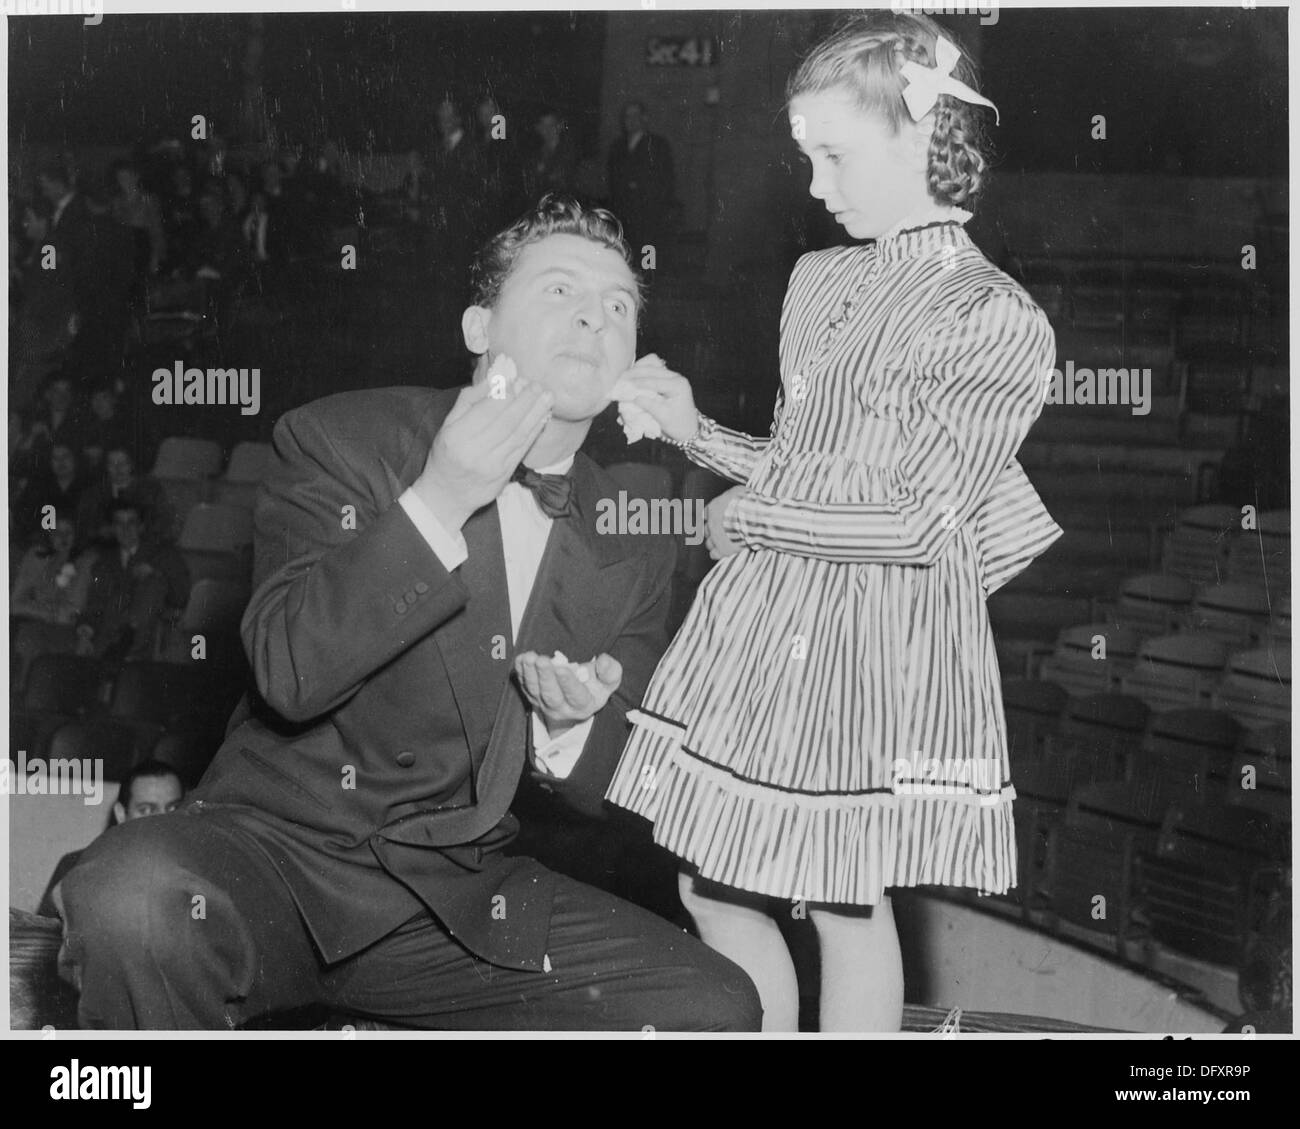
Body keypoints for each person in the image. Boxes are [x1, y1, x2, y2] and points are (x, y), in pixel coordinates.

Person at [59, 194, 761, 1032]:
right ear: (479, 328)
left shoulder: (631, 538)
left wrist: (570, 729)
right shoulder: (341, 438)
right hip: (277, 858)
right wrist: (438, 500)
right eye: (561, 290)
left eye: (618, 305)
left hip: (459, 899)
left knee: (713, 1006)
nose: (594, 317)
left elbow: (627, 776)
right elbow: (290, 669)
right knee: (130, 898)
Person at [604, 12, 1063, 1032]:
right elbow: (810, 466)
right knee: (708, 885)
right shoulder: (820, 279)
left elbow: (917, 521)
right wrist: (696, 434)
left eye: (835, 155)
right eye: (806, 156)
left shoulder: (992, 317)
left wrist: (755, 518)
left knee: (845, 901)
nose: (816, 187)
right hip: (771, 615)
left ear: (917, 138)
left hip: (876, 630)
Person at [38, 761, 185, 919]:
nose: (162, 821)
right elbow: (43, 937)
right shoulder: (76, 866)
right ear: (121, 814)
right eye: (147, 810)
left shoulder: (202, 867)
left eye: (173, 808)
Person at [75, 500, 190, 666]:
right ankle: (119, 647)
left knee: (153, 583)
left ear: (141, 526)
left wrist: (155, 571)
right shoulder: (104, 562)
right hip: (109, 632)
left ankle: (129, 642)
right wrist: (84, 634)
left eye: (132, 523)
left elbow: (181, 596)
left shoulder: (164, 554)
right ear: (113, 528)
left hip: (151, 634)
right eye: (119, 523)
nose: (125, 529)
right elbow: (95, 604)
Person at [606, 101, 676, 261]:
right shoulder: (617, 146)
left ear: (644, 118)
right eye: (627, 116)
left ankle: (649, 282)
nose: (631, 120)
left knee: (647, 254)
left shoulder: (657, 144)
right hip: (623, 212)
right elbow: (613, 178)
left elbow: (665, 179)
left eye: (635, 115)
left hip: (648, 213)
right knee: (626, 255)